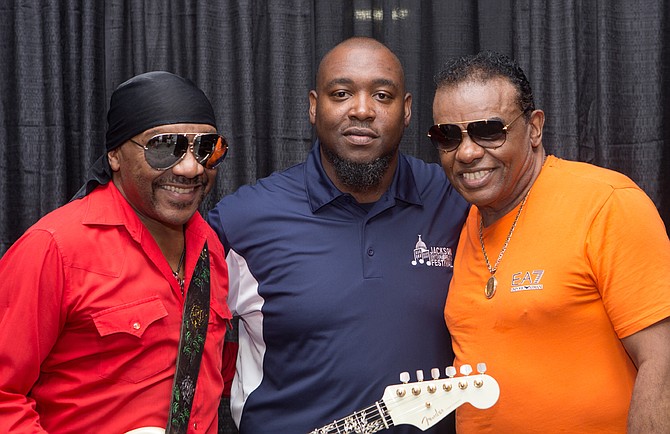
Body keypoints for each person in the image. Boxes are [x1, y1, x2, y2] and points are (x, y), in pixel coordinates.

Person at [208, 37, 468, 433]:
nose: (362, 110)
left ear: (407, 110)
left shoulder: (457, 201)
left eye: (382, 95)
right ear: (314, 106)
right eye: (341, 93)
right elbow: (176, 344)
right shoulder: (243, 220)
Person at [429, 50, 670, 433]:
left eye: (488, 130)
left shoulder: (605, 203)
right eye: (447, 136)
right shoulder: (465, 224)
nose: (468, 152)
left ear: (535, 127)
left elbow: (663, 362)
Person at [0, 71, 233, 433]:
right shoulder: (55, 247)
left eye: (206, 148)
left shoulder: (210, 248)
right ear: (115, 155)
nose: (191, 167)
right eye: (163, 147)